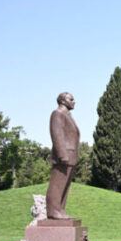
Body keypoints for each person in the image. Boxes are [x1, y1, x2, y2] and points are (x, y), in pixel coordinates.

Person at [46, 92, 80, 220]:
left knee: (65, 186)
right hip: (63, 157)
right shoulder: (58, 114)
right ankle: (53, 211)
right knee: (57, 185)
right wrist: (62, 155)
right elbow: (57, 135)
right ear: (63, 101)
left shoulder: (67, 115)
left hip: (71, 156)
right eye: (71, 99)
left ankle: (60, 210)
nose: (74, 101)